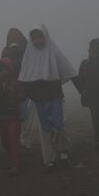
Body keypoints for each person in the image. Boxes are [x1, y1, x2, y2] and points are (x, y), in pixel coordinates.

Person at [18, 24, 78, 170]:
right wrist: (23, 95)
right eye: (34, 38)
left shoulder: (54, 52)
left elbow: (69, 71)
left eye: (40, 37)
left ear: (45, 36)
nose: (37, 40)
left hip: (55, 95)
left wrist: (83, 90)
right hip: (38, 98)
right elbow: (24, 77)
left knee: (58, 125)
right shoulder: (29, 55)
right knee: (44, 129)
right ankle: (48, 160)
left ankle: (63, 151)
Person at [1, 28, 37, 154]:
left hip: (12, 88)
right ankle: (25, 141)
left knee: (18, 116)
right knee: (27, 116)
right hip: (27, 86)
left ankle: (21, 141)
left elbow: (2, 69)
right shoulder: (28, 49)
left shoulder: (6, 51)